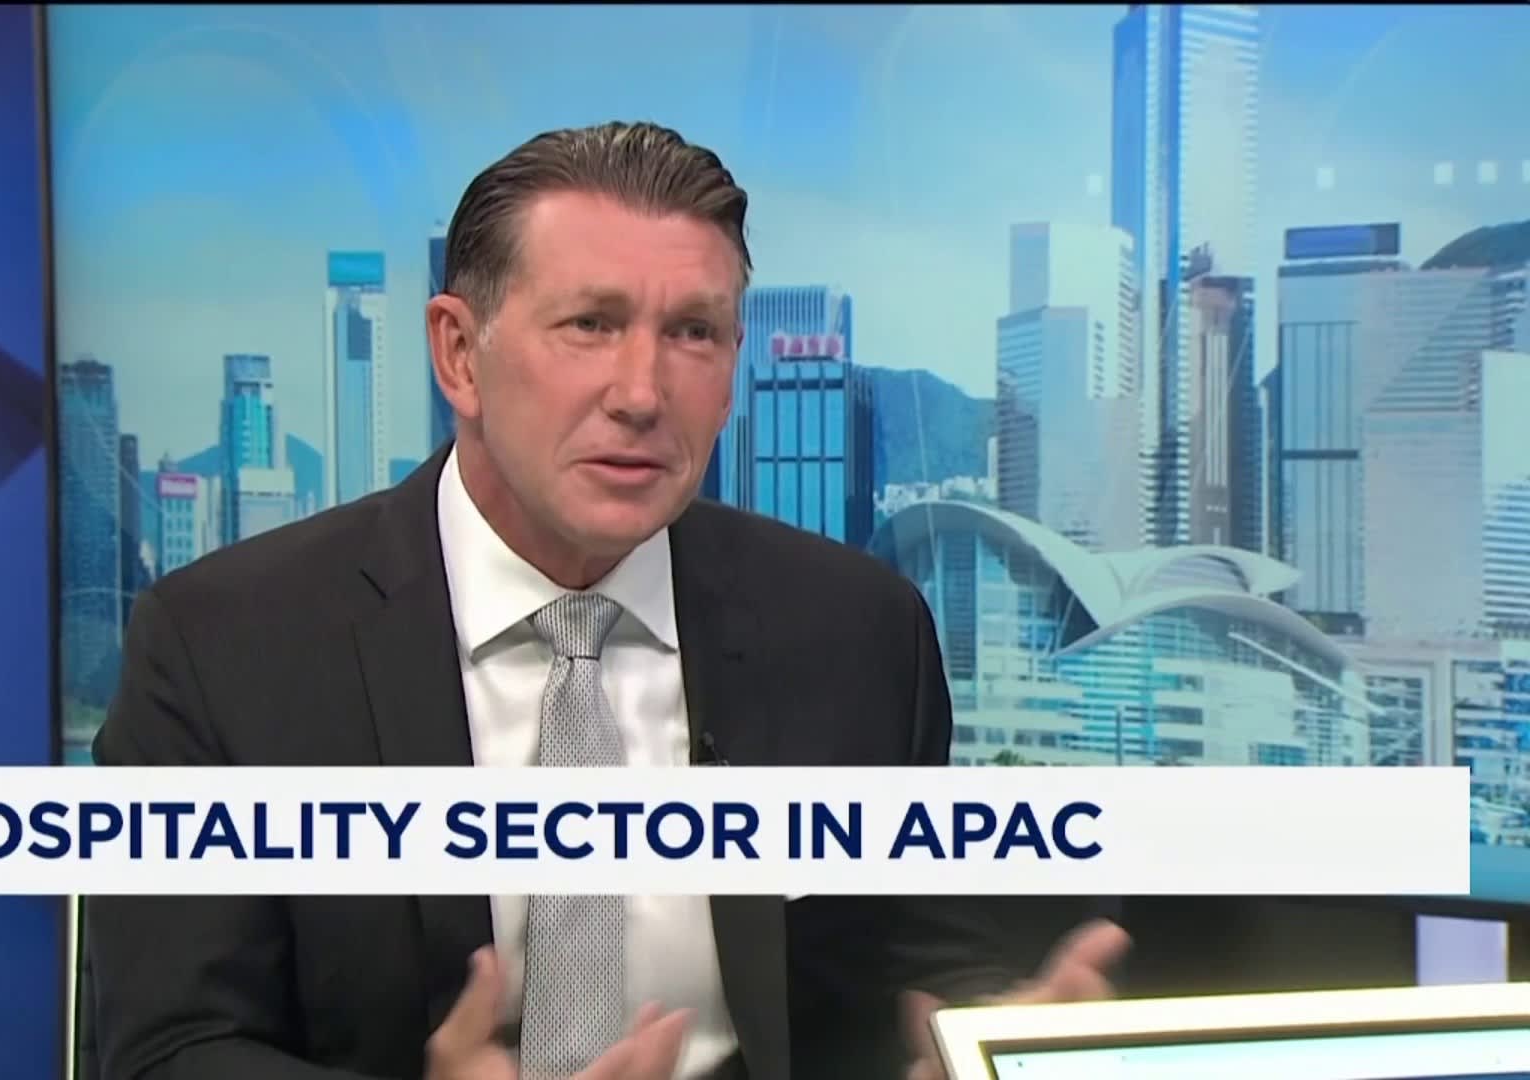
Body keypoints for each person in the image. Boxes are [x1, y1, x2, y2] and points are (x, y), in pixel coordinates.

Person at [86, 120, 1131, 1080]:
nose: (641, 393)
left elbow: (921, 953)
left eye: (693, 333)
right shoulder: (225, 648)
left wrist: (992, 1036)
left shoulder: (857, 630)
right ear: (459, 353)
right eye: (590, 324)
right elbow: (169, 1048)